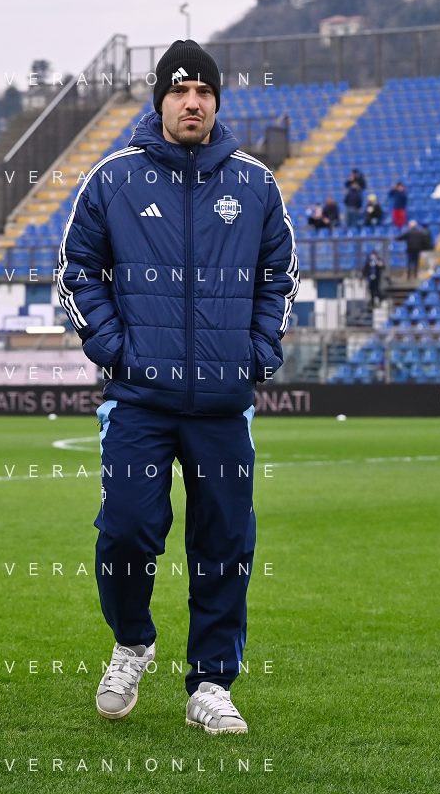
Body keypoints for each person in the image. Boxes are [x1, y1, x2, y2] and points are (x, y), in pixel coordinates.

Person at [59, 39, 298, 735]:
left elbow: (279, 277)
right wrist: (116, 352)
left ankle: (211, 685)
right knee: (126, 531)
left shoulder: (255, 184)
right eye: (178, 90)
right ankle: (132, 641)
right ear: (160, 98)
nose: (191, 102)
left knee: (225, 544)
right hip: (138, 399)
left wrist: (256, 354)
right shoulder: (114, 179)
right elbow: (77, 270)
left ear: (216, 101)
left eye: (203, 92)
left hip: (222, 405)